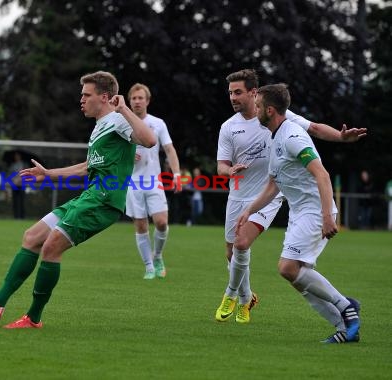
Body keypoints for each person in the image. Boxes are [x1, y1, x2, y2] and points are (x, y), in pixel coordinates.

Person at [0, 71, 156, 329]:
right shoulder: (101, 125)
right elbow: (88, 166)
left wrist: (124, 109)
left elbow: (150, 141)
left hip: (104, 200)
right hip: (90, 196)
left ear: (105, 97)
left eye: (87, 95)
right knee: (32, 237)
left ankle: (33, 318)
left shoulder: (119, 120)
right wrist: (49, 174)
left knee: (51, 247)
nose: (81, 100)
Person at [215, 69, 367, 324]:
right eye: (230, 93)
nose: (232, 97)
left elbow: (317, 136)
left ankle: (232, 294)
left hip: (285, 200)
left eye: (238, 92)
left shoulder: (286, 125)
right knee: (236, 255)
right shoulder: (231, 128)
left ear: (255, 95)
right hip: (246, 196)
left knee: (248, 247)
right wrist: (231, 174)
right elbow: (225, 167)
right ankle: (247, 298)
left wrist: (340, 137)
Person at [125, 83, 181, 279]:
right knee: (140, 225)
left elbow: (169, 150)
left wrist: (176, 174)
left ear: (147, 101)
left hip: (153, 180)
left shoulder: (158, 123)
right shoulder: (122, 123)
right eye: (134, 98)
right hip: (132, 182)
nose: (137, 101)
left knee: (161, 222)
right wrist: (127, 155)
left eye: (141, 98)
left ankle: (157, 257)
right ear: (129, 101)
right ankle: (148, 267)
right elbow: (114, 152)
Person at [9, 151, 27, 219]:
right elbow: (10, 175)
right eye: (15, 156)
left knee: (22, 201)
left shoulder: (24, 165)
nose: (16, 157)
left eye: (18, 156)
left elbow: (26, 174)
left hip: (22, 184)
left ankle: (22, 216)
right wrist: (14, 180)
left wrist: (20, 179)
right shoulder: (12, 165)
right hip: (14, 185)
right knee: (15, 201)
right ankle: (16, 216)